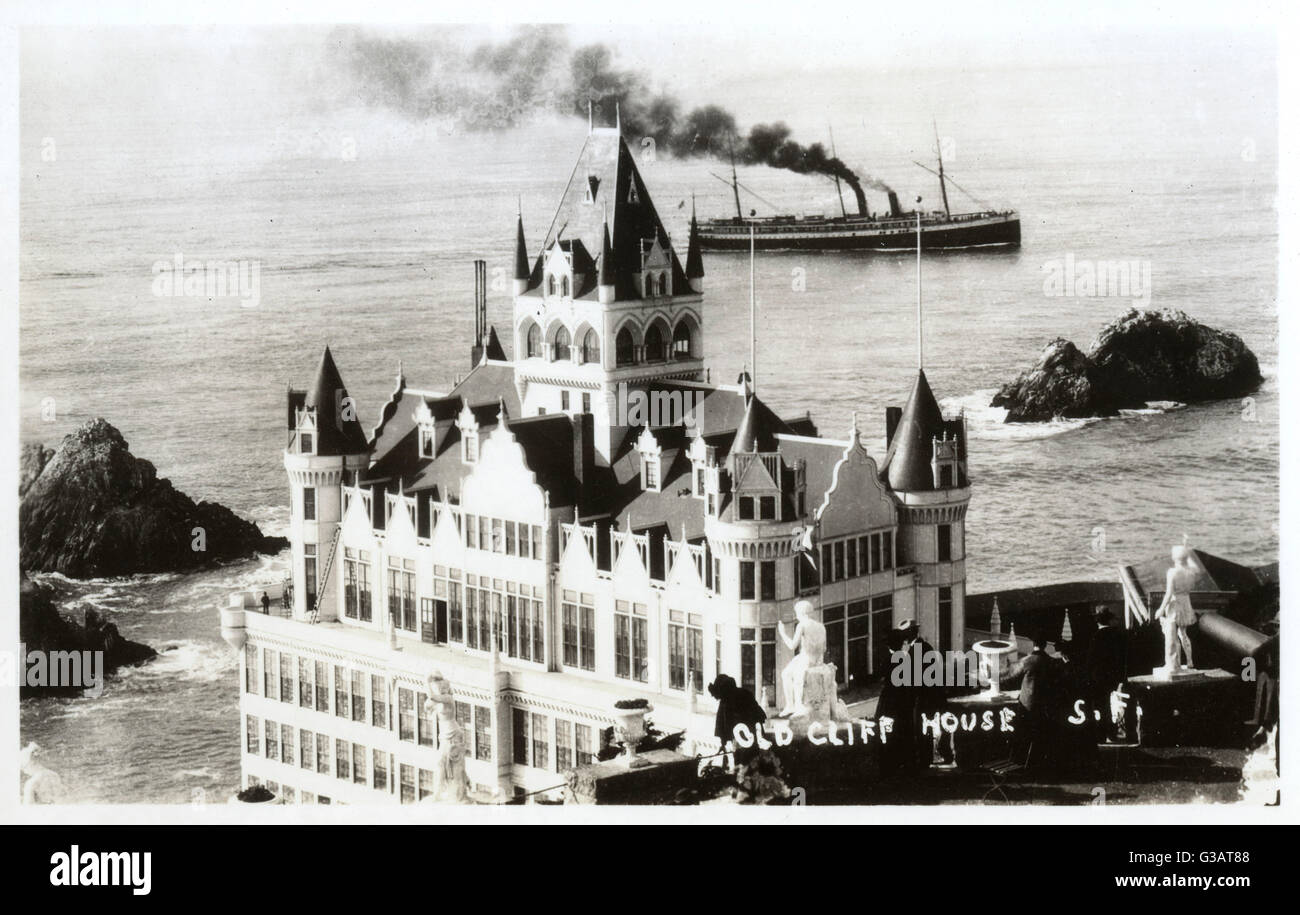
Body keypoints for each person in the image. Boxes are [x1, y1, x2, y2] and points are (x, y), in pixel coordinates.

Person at [1003, 632, 1064, 769]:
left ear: (1033, 644)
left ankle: (1020, 761)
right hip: (1046, 705)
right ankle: (1040, 763)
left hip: (1028, 704)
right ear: (1044, 645)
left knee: (1024, 733)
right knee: (1042, 734)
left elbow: (1010, 677)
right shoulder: (1052, 661)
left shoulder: (1027, 660)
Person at [777, 599, 826, 716]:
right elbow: (824, 648)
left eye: (797, 613)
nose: (797, 616)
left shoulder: (802, 625)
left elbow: (792, 646)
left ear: (802, 613)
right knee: (790, 671)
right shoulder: (821, 626)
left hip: (805, 659)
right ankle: (791, 705)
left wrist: (782, 632)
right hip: (816, 660)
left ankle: (790, 705)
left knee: (785, 674)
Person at [1154, 545, 1197, 674]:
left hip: (1175, 603)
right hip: (1186, 602)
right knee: (1183, 633)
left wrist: (1160, 609)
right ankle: (1190, 662)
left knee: (1172, 635)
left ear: (1174, 557)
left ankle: (1174, 664)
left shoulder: (1172, 572)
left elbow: (1169, 593)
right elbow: (1191, 587)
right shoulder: (1191, 571)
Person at [1086, 606, 1127, 741]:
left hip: (1099, 677)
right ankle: (1116, 732)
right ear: (1109, 620)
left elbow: (1091, 660)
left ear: (1098, 622)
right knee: (1116, 704)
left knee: (1102, 707)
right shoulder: (1118, 635)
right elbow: (1122, 657)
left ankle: (1104, 733)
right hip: (1115, 676)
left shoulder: (1095, 637)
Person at [708, 675, 767, 768]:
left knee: (741, 764)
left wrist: (723, 743)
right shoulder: (745, 693)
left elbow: (722, 725)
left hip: (740, 740)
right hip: (751, 736)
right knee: (752, 762)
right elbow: (760, 715)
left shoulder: (726, 702)